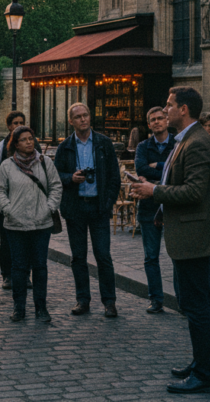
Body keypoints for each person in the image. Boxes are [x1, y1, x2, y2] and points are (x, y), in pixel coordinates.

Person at [130, 87, 210, 395]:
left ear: (183, 109)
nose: (165, 110)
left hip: (195, 237)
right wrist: (153, 187)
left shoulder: (196, 142)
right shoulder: (186, 139)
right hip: (186, 233)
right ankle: (202, 363)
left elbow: (195, 191)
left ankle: (206, 373)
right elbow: (179, 182)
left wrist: (154, 193)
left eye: (169, 106)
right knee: (195, 303)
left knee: (197, 305)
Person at [55, 102, 120, 318]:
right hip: (76, 208)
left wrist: (108, 202)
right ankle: (82, 300)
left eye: (86, 115)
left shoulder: (103, 143)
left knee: (103, 255)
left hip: (98, 207)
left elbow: (114, 177)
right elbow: (55, 177)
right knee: (78, 257)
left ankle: (109, 302)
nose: (83, 119)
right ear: (71, 121)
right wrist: (70, 178)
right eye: (78, 116)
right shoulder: (65, 146)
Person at [0, 126, 62, 322]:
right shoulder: (7, 166)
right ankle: (19, 307)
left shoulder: (45, 162)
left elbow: (56, 186)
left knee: (40, 266)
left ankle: (41, 308)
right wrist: (8, 209)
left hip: (42, 223)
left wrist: (49, 208)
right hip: (15, 224)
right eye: (23, 139)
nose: (29, 142)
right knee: (19, 267)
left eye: (31, 138)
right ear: (15, 144)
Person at [133, 107, 175, 314]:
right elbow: (141, 169)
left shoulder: (178, 144)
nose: (157, 122)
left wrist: (158, 166)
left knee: (178, 256)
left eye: (160, 118)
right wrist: (165, 173)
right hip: (149, 207)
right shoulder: (143, 146)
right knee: (151, 256)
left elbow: (177, 171)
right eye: (153, 120)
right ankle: (156, 299)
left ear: (167, 120)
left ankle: (182, 300)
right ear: (149, 124)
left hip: (173, 206)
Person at [0, 110, 27, 289]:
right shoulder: (1, 146)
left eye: (21, 123)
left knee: (27, 240)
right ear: (9, 126)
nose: (18, 126)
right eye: (15, 123)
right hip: (6, 202)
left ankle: (25, 274)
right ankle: (7, 275)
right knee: (6, 241)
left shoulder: (31, 143)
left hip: (27, 202)